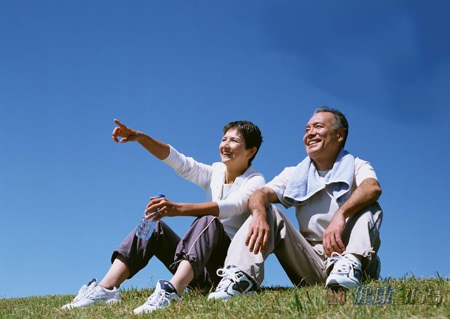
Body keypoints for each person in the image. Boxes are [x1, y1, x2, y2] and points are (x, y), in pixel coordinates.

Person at [62, 119, 265, 313]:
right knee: (155, 227)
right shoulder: (217, 172)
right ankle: (106, 289)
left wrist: (178, 209)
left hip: (224, 273)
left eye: (234, 141)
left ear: (251, 151)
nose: (225, 145)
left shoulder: (255, 181)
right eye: (224, 139)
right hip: (196, 264)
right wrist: (141, 137)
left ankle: (173, 291)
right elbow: (181, 163)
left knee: (209, 220)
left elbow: (231, 206)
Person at [208, 107, 383, 300]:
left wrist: (340, 214)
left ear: (339, 135)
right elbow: (260, 194)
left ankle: (350, 266)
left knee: (370, 206)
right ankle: (239, 279)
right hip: (312, 262)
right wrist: (259, 215)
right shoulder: (296, 174)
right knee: (266, 210)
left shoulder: (357, 165)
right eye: (307, 129)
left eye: (318, 127)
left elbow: (372, 188)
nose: (310, 134)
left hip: (352, 256)